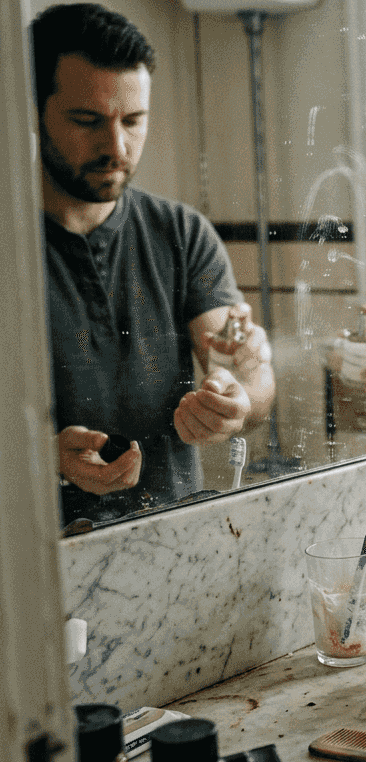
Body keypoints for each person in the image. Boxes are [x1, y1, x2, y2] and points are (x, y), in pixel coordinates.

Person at [31, 3, 276, 524]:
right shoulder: (13, 249)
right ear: (31, 112)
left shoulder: (182, 234)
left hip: (174, 544)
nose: (116, 146)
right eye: (86, 121)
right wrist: (39, 456)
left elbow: (244, 376)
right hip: (36, 568)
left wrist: (235, 401)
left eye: (134, 120)